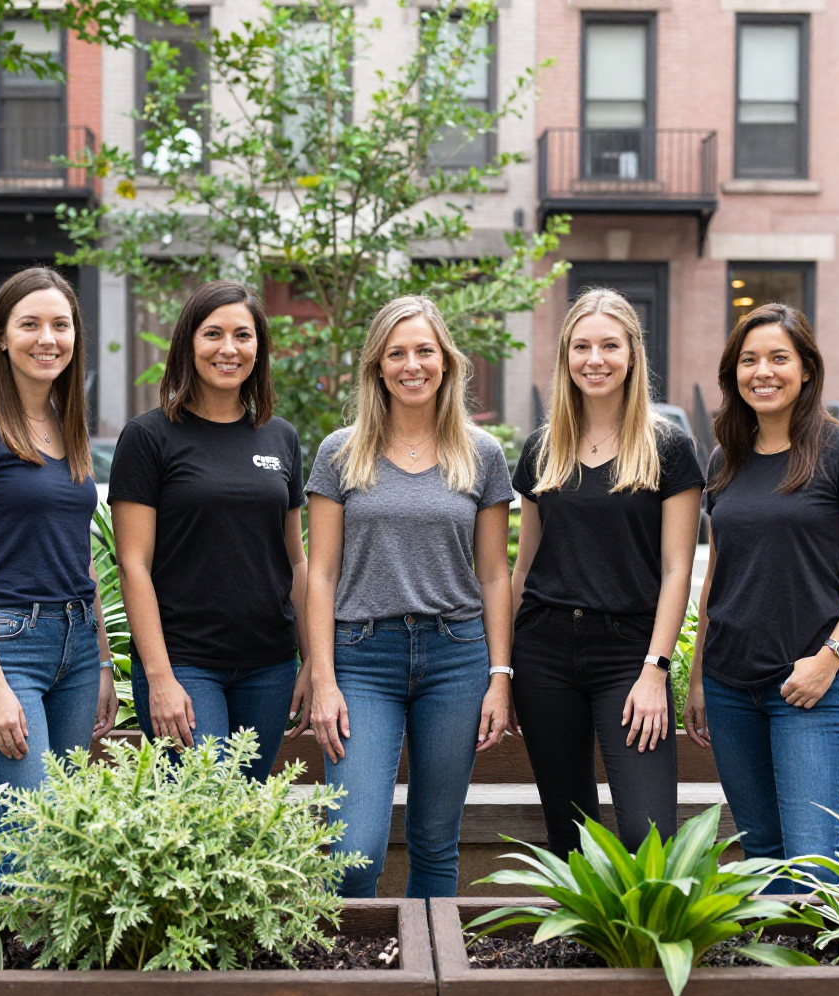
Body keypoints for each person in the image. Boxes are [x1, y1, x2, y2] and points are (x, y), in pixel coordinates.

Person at [306, 295, 514, 898]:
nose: (411, 365)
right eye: (396, 353)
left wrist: (500, 675)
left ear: (446, 362)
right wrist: (323, 678)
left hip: (457, 658)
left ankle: (430, 985)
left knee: (434, 840)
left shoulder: (482, 454)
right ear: (377, 367)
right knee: (354, 850)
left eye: (424, 351)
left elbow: (495, 573)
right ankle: (359, 987)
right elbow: (320, 574)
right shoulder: (341, 452)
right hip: (362, 658)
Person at [684, 303, 839, 886]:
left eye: (779, 358)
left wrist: (829, 661)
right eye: (749, 360)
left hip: (809, 687)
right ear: (734, 374)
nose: (763, 372)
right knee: (762, 859)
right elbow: (719, 574)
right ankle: (772, 978)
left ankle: (820, 981)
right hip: (730, 688)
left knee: (813, 863)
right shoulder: (726, 459)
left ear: (806, 369)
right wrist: (699, 676)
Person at [0, 267, 119, 894]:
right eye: (31, 324)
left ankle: (44, 991)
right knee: (25, 848)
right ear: (1, 336)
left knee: (59, 844)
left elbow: (81, 554)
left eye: (60, 325)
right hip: (7, 647)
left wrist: (102, 663)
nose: (48, 338)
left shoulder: (68, 426)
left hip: (74, 647)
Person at [510, 288, 703, 857]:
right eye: (582, 346)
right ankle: (584, 948)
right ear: (566, 357)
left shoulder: (669, 448)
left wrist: (655, 671)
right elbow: (523, 567)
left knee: (648, 835)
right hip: (544, 652)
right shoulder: (543, 449)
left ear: (633, 355)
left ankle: (642, 948)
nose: (595, 359)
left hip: (630, 656)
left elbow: (677, 572)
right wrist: (503, 666)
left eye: (609, 345)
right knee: (568, 831)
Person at [109, 281, 310, 778]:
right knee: (204, 809)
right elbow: (133, 565)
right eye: (212, 334)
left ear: (258, 348)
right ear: (188, 345)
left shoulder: (280, 437)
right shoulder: (149, 437)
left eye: (242, 335)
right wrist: (159, 676)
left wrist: (311, 662)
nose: (228, 349)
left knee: (243, 815)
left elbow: (297, 559)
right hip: (185, 663)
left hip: (269, 665)